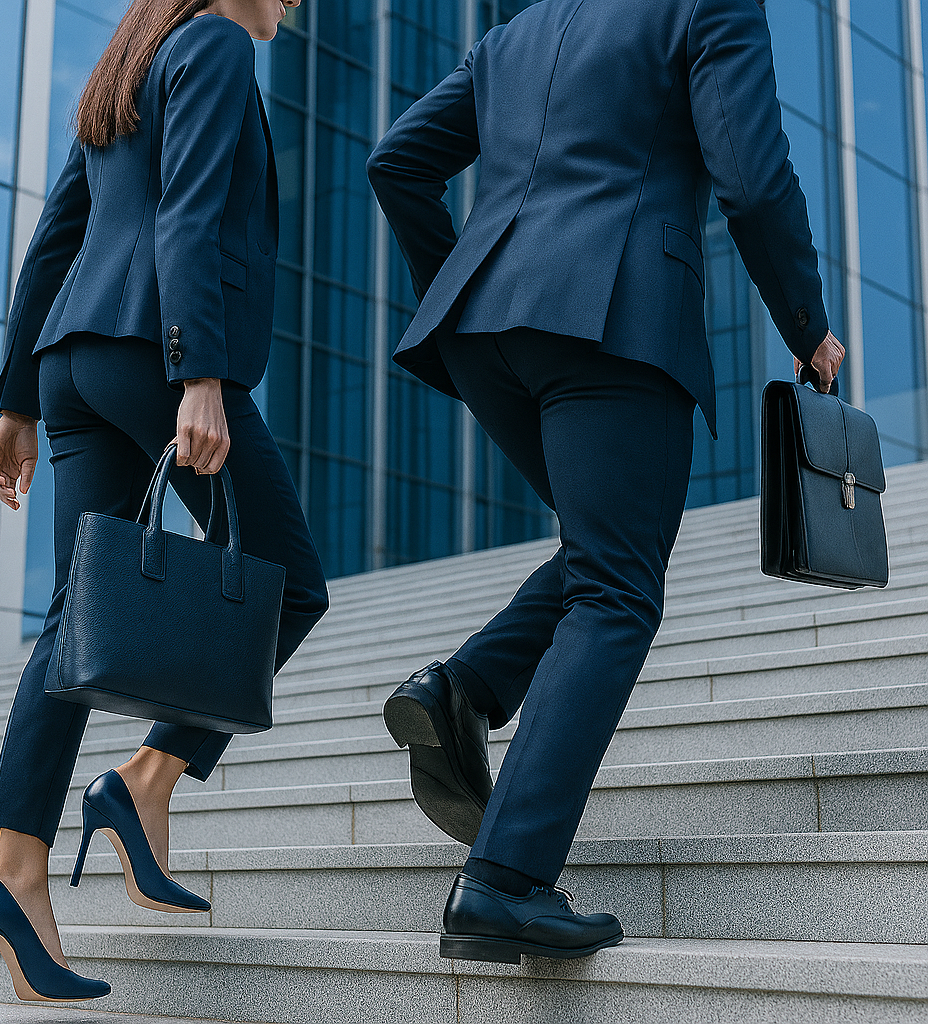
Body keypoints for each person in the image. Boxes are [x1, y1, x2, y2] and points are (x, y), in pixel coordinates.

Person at [368, 0, 844, 966]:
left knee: (604, 553)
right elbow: (752, 182)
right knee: (618, 589)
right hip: (615, 315)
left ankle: (462, 686)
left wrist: (463, 279)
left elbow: (396, 161)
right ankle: (503, 880)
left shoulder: (513, 34)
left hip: (489, 332)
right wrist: (808, 328)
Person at [0, 0, 326, 1003]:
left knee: (70, 618)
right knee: (288, 585)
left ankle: (15, 869)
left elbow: (56, 236)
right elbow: (194, 210)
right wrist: (200, 374)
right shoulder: (212, 44)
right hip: (154, 361)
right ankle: (142, 781)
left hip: (75, 363)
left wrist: (17, 399)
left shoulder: (128, 59)